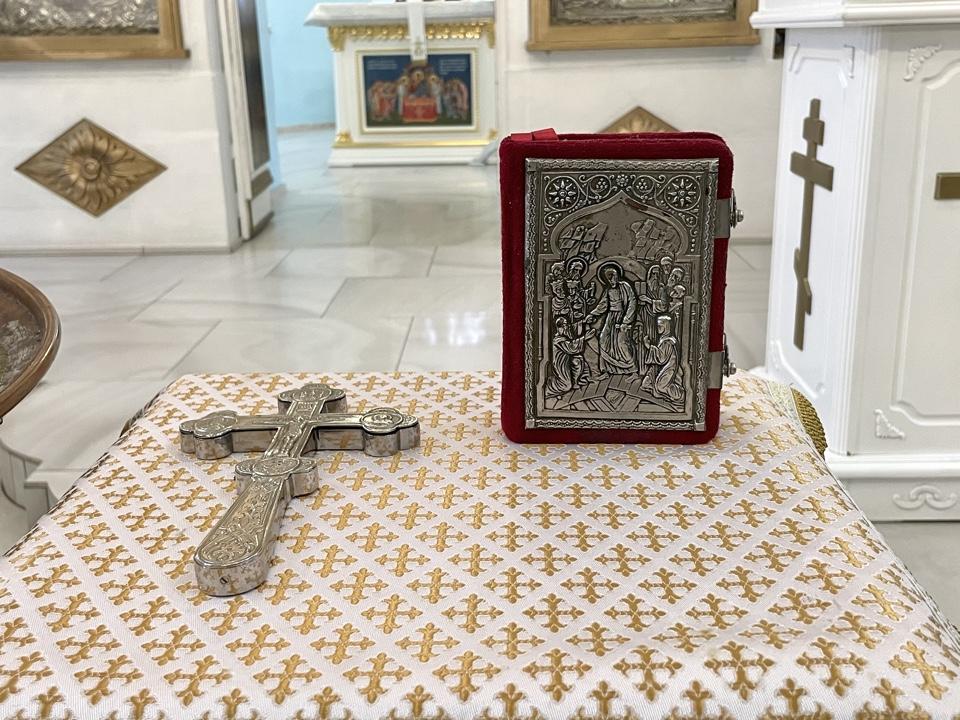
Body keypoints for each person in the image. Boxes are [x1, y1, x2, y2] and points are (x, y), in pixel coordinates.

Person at [586, 262, 637, 376]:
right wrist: (593, 314)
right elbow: (603, 305)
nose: (612, 279)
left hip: (622, 318)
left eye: (614, 276)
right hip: (611, 318)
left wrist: (626, 320)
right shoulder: (608, 290)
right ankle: (606, 370)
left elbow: (632, 302)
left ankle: (632, 369)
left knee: (621, 343)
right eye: (609, 277)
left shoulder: (625, 286)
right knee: (603, 341)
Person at [545, 316, 595, 397]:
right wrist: (584, 338)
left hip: (567, 360)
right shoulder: (557, 340)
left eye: (567, 325)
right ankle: (547, 387)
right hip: (561, 364)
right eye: (565, 325)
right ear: (560, 327)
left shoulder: (564, 331)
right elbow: (571, 348)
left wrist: (584, 321)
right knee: (566, 386)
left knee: (578, 360)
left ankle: (575, 381)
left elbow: (573, 327)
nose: (567, 326)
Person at [642, 315, 684, 402]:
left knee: (661, 387)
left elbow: (661, 359)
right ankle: (658, 392)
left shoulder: (668, 342)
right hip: (659, 367)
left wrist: (649, 346)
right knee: (645, 384)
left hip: (669, 368)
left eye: (660, 326)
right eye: (658, 326)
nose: (658, 328)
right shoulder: (663, 338)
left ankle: (680, 394)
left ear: (666, 327)